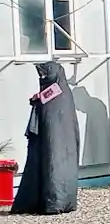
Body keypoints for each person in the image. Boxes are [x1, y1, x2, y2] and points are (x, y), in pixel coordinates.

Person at [13, 61, 81, 215]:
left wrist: (38, 102)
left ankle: (55, 201)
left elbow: (52, 114)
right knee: (52, 162)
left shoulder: (58, 94)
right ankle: (59, 200)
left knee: (54, 163)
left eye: (45, 75)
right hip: (55, 142)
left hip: (56, 142)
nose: (42, 78)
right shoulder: (60, 91)